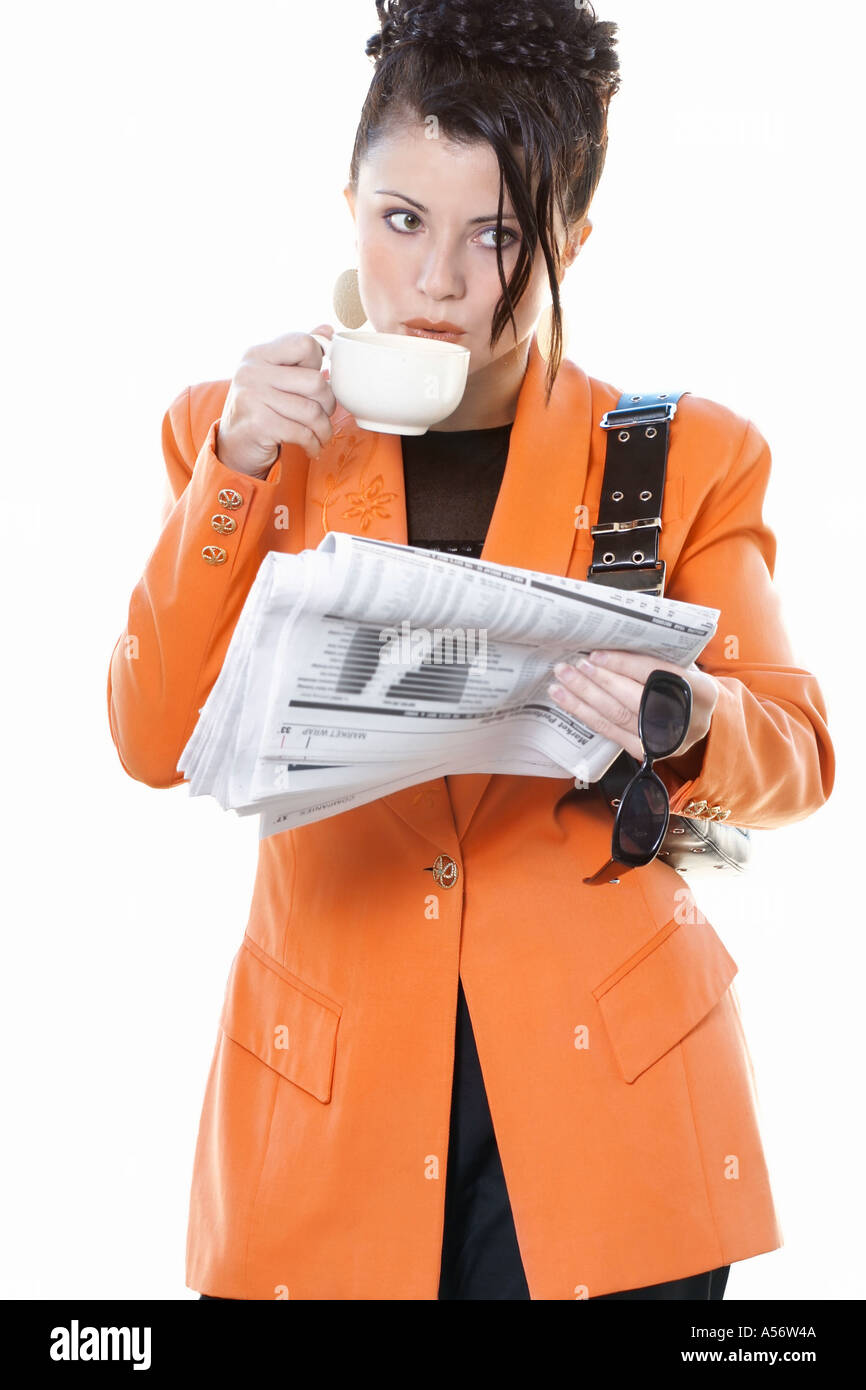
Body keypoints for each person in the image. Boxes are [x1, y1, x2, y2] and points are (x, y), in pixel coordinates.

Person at [107, 0, 835, 1301]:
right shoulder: (229, 435)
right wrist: (234, 474)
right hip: (324, 1102)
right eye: (402, 221)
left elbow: (799, 750)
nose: (438, 282)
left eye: (495, 234)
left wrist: (679, 715)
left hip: (613, 1108)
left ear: (568, 240)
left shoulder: (681, 456)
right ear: (348, 206)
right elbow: (150, 742)